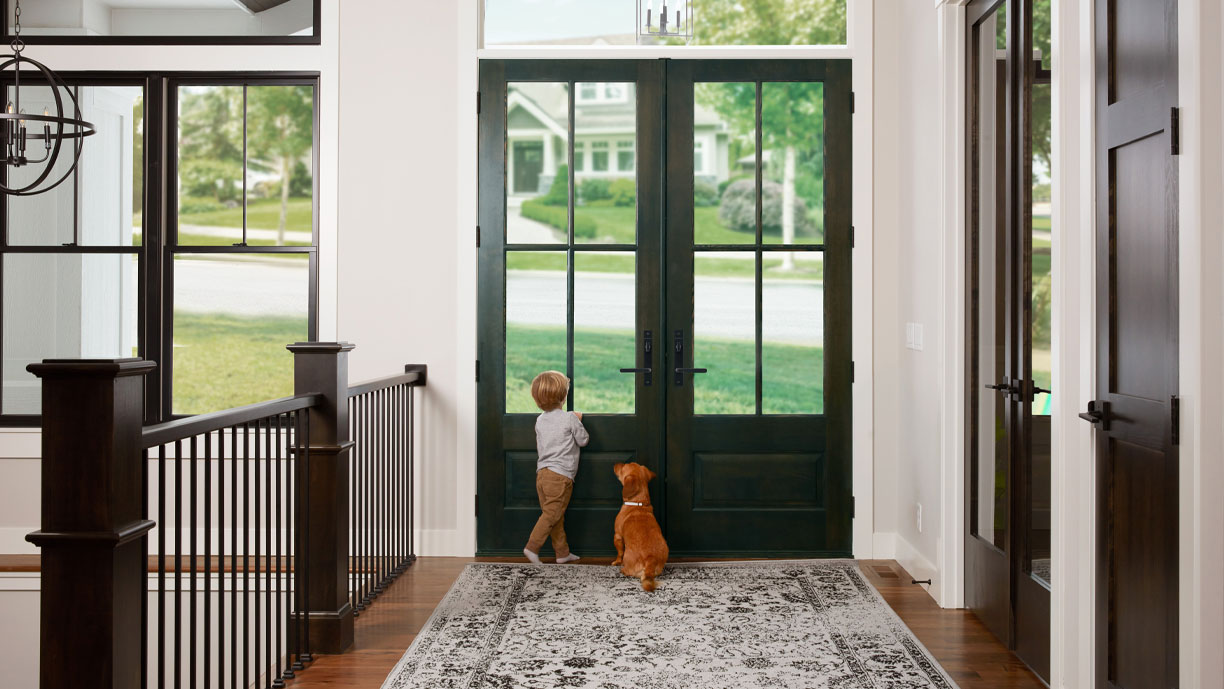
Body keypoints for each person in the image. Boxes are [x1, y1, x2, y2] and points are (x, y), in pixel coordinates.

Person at [523, 370, 589, 564]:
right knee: (552, 514)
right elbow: (583, 440)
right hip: (560, 476)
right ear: (564, 396)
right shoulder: (569, 418)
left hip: (542, 474)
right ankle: (532, 547)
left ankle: (562, 553)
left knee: (555, 516)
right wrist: (578, 419)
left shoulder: (540, 420)